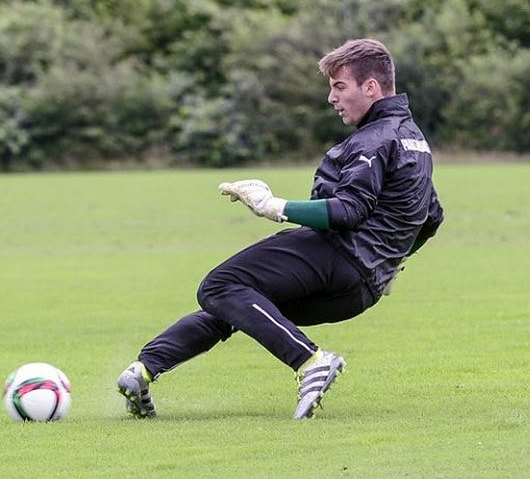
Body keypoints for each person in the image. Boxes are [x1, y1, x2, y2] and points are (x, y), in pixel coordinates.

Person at [117, 38, 444, 419]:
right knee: (242, 306)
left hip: (338, 259)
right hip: (359, 292)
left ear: (371, 87)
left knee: (219, 286)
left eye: (339, 87)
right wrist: (392, 261)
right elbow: (431, 217)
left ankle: (311, 361)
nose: (331, 98)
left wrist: (274, 207)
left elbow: (348, 211)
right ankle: (143, 371)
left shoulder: (375, 140)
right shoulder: (414, 140)